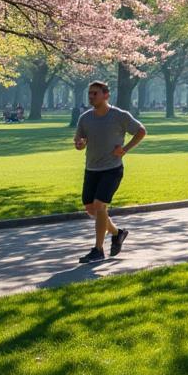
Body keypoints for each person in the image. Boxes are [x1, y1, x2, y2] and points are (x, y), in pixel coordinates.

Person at [74, 81, 147, 263]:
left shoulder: (119, 116)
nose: (91, 97)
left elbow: (140, 131)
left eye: (95, 94)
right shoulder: (85, 118)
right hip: (91, 169)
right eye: (90, 94)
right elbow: (79, 140)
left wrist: (125, 149)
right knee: (91, 209)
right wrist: (80, 144)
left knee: (99, 206)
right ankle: (117, 233)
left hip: (112, 169)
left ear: (106, 95)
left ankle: (98, 249)